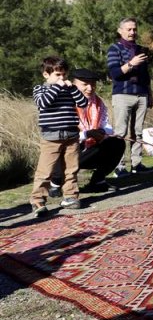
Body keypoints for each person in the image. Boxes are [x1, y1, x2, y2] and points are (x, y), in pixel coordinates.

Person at [50, 68, 126, 196]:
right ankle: (56, 182)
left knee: (117, 143)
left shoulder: (98, 102)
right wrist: (87, 134)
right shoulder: (64, 102)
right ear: (73, 84)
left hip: (89, 147)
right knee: (67, 146)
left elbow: (106, 125)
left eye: (93, 84)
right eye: (85, 84)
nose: (90, 88)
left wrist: (101, 131)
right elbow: (61, 135)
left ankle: (98, 181)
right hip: (67, 147)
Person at [30, 56, 88, 217]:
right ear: (46, 75)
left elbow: (83, 103)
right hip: (51, 137)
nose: (62, 78)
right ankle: (37, 199)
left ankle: (70, 196)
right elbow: (43, 103)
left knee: (71, 169)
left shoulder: (69, 89)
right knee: (45, 170)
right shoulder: (39, 89)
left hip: (71, 135)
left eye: (64, 74)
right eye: (57, 75)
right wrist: (57, 87)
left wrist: (73, 89)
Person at [107, 17, 153, 177]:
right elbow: (114, 74)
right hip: (122, 95)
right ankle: (119, 166)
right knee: (120, 133)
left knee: (138, 132)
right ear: (120, 31)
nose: (132, 32)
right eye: (129, 29)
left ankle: (137, 164)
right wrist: (131, 63)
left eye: (134, 29)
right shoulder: (114, 49)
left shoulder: (141, 49)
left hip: (141, 94)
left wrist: (150, 94)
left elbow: (146, 75)